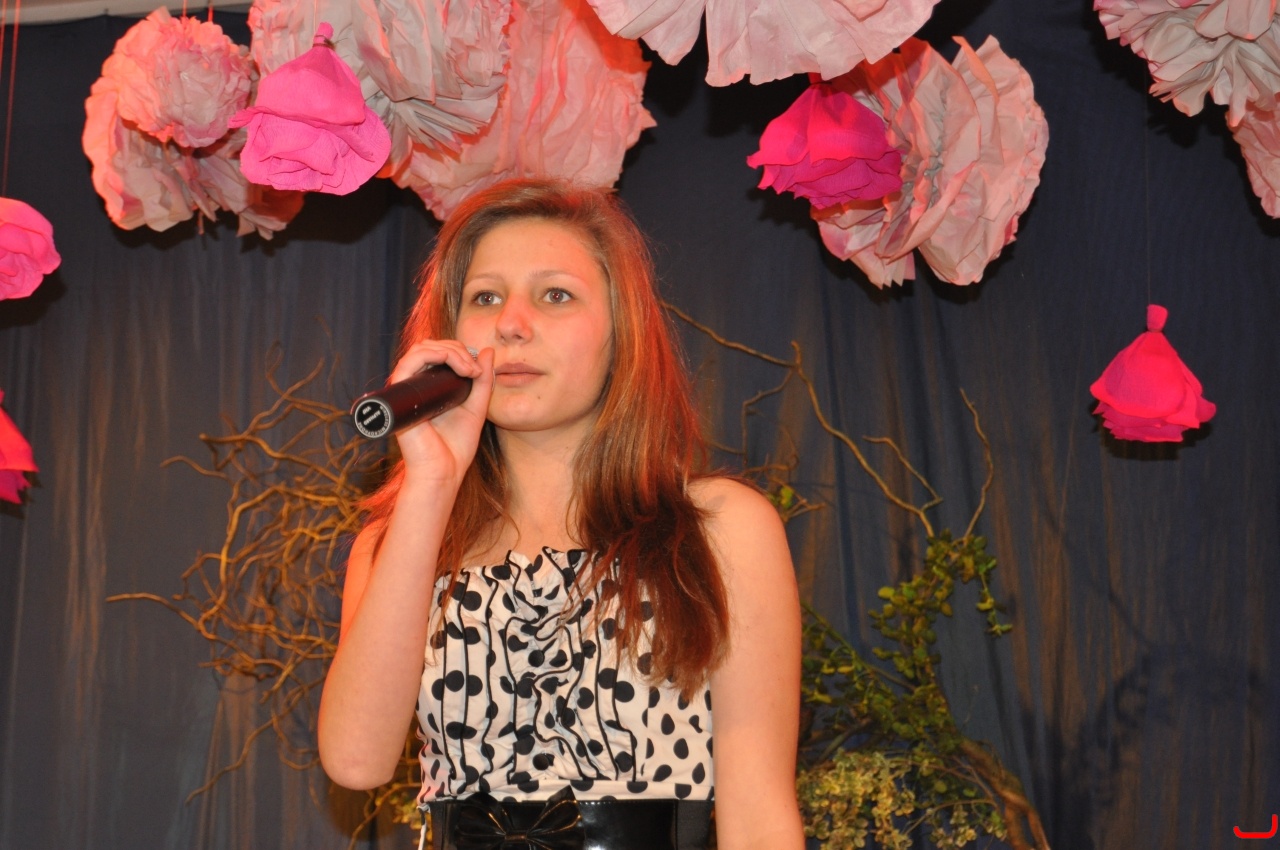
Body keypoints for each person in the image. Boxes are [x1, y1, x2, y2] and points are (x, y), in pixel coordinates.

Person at [317, 178, 804, 850]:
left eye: (555, 295)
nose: (512, 324)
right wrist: (431, 483)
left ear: (621, 333)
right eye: (485, 297)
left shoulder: (720, 530)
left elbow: (760, 815)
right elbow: (356, 762)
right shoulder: (397, 543)